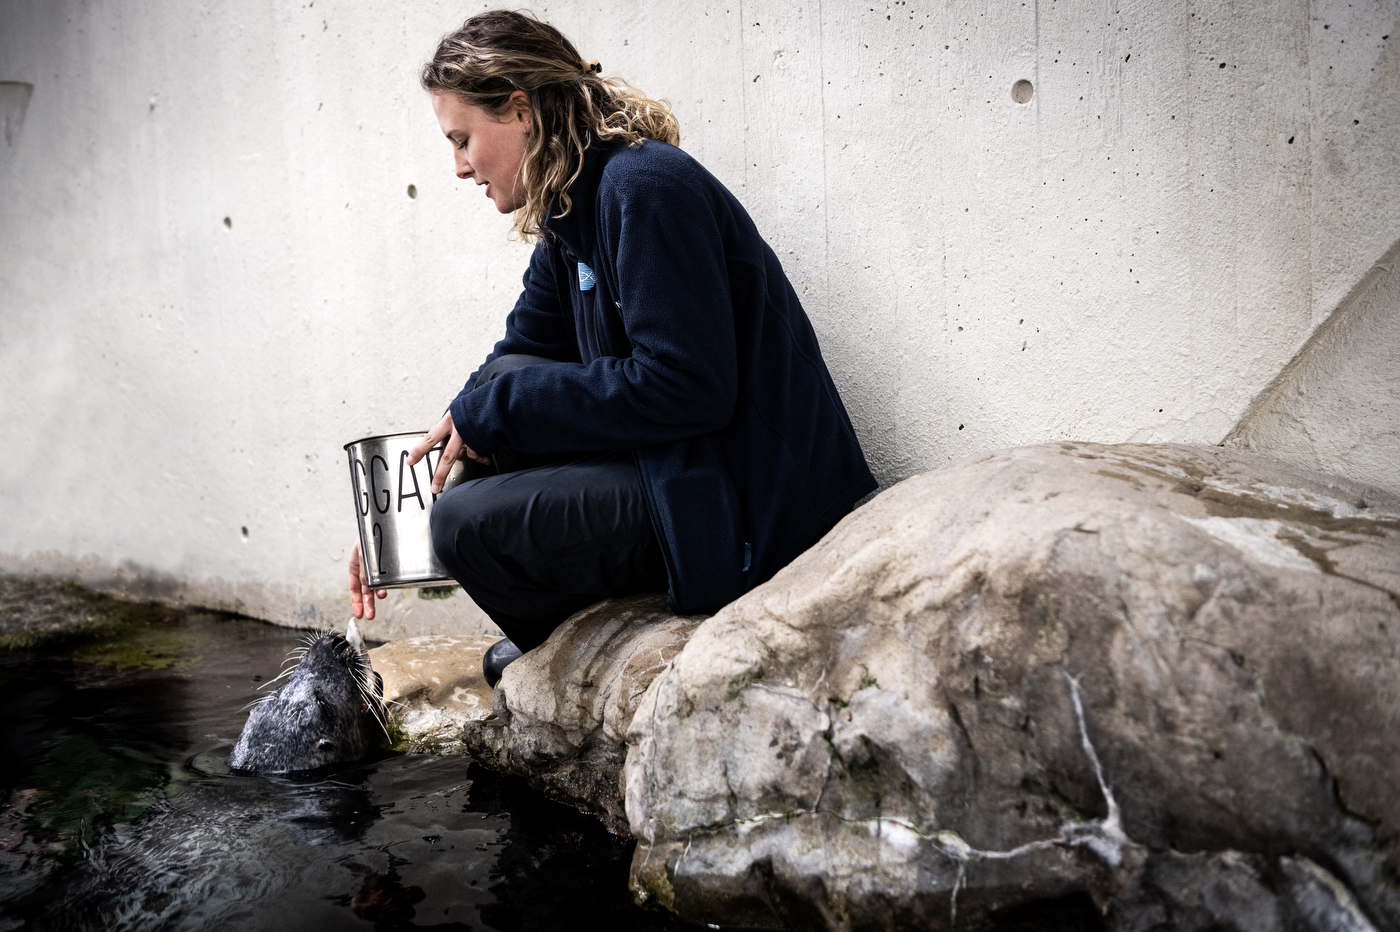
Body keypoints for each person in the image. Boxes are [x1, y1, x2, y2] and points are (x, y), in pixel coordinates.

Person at [350, 10, 875, 685]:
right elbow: (516, 355)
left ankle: (577, 644)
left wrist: (497, 414)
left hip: (751, 507)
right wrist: (391, 520)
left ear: (518, 109)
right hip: (679, 467)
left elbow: (689, 386)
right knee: (497, 397)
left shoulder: (644, 188)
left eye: (461, 139)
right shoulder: (572, 206)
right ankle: (572, 635)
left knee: (464, 522)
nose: (456, 167)